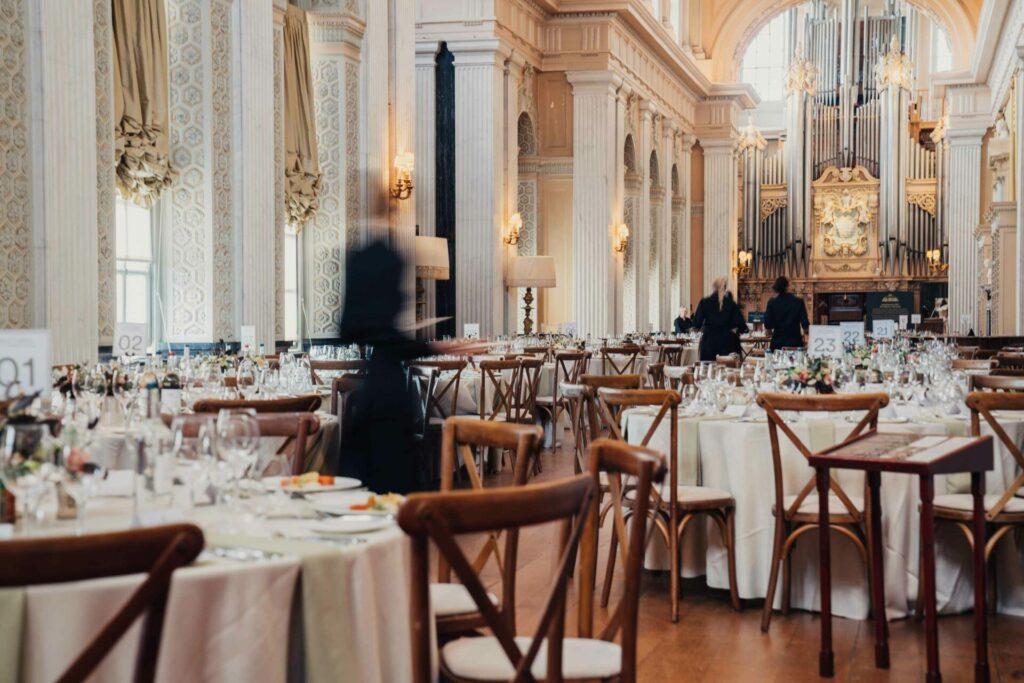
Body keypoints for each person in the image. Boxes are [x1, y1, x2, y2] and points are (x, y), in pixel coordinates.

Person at [336, 241, 483, 494]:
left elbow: (385, 342)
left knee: (371, 468)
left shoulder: (363, 310)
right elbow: (393, 344)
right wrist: (442, 347)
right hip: (389, 394)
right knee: (391, 468)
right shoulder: (381, 300)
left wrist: (440, 347)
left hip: (377, 390)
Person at [692, 277, 747, 362]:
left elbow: (696, 324)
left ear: (713, 287)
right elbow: (742, 326)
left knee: (708, 371)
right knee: (727, 371)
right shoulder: (731, 304)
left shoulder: (705, 302)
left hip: (709, 343)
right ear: (725, 288)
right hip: (728, 343)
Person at [763, 275, 809, 351]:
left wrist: (771, 333)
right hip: (795, 343)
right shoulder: (798, 302)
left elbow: (767, 325)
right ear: (787, 287)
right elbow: (805, 325)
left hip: (777, 344)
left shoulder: (772, 302)